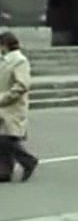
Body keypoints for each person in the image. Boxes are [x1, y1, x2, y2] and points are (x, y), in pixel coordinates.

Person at [0, 32, 38, 182]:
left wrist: (5, 97)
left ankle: (28, 161)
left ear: (5, 45)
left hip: (12, 106)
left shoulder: (20, 61)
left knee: (7, 139)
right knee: (3, 138)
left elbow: (22, 84)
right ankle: (5, 170)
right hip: (4, 105)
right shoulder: (4, 60)